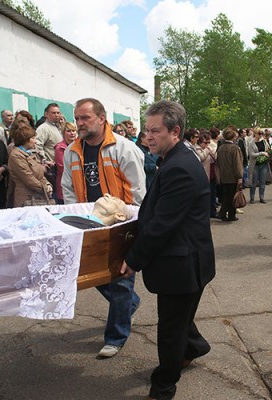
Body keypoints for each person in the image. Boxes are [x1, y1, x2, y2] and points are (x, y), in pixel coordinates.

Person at [120, 100, 215, 400]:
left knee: (171, 329)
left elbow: (162, 225)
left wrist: (133, 259)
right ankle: (195, 347)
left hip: (181, 265)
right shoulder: (176, 156)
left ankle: (163, 386)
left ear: (175, 131)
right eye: (147, 130)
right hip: (189, 261)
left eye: (155, 131)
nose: (148, 136)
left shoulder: (180, 167)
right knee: (181, 318)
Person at [62, 98, 145, 358]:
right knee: (93, 273)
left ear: (101, 118)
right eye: (77, 118)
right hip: (88, 224)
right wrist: (76, 217)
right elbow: (67, 188)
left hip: (120, 223)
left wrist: (131, 223)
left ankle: (115, 337)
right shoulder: (71, 151)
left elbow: (137, 190)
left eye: (85, 118)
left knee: (120, 278)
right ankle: (129, 304)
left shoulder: (123, 148)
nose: (79, 123)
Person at [8, 124, 52, 207]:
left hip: (37, 196)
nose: (35, 141)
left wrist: (48, 185)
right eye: (33, 138)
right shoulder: (16, 155)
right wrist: (45, 188)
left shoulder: (29, 153)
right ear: (25, 140)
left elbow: (39, 174)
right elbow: (28, 178)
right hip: (27, 198)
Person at [216, 127, 243, 221]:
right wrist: (240, 176)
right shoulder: (234, 148)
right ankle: (230, 215)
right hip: (232, 176)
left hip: (223, 175)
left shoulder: (220, 148)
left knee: (226, 196)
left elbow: (218, 163)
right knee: (232, 196)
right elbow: (237, 164)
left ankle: (223, 213)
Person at [54, 122, 78, 204]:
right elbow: (63, 168)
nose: (72, 133)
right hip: (65, 185)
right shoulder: (59, 148)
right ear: (63, 133)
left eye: (74, 130)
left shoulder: (79, 145)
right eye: (69, 131)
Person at [247, 128, 270, 204]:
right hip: (255, 165)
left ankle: (262, 197)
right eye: (259, 133)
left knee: (262, 182)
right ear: (255, 134)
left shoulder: (264, 141)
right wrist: (261, 153)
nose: (261, 135)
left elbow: (268, 150)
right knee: (254, 182)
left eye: (261, 133)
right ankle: (252, 198)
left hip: (263, 164)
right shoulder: (251, 143)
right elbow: (251, 154)